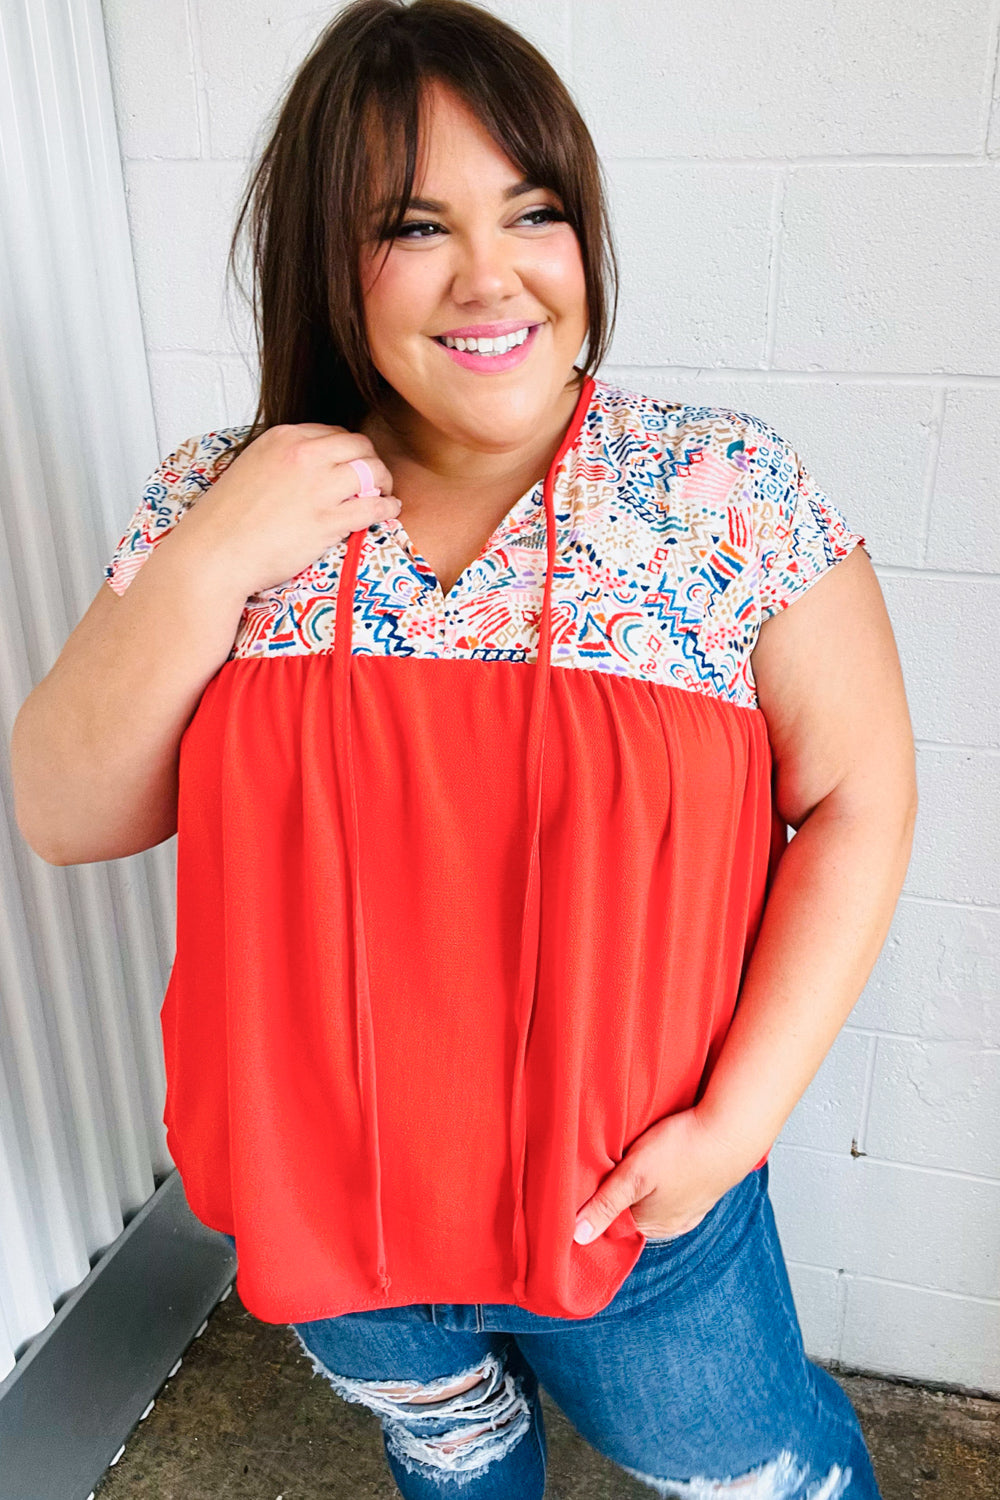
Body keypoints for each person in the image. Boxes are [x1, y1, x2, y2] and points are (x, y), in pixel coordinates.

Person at [11, 1, 917, 1495]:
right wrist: (210, 559)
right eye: (414, 225)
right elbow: (63, 808)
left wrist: (730, 1131)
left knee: (763, 1476)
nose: (491, 275)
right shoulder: (224, 500)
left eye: (535, 210)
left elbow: (860, 799)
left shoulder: (722, 492)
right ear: (327, 256)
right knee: (452, 1450)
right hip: (330, 1227)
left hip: (636, 1219)